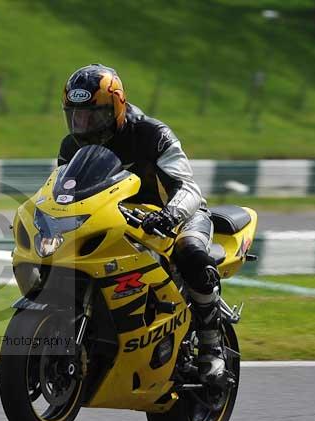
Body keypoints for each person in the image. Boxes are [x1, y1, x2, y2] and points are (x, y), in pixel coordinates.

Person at [57, 63, 226, 385]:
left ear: (117, 106)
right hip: (116, 221)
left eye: (95, 115)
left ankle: (211, 345)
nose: (85, 124)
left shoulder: (152, 134)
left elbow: (188, 187)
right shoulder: (71, 146)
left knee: (191, 254)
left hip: (175, 215)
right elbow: (62, 193)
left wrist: (170, 215)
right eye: (76, 115)